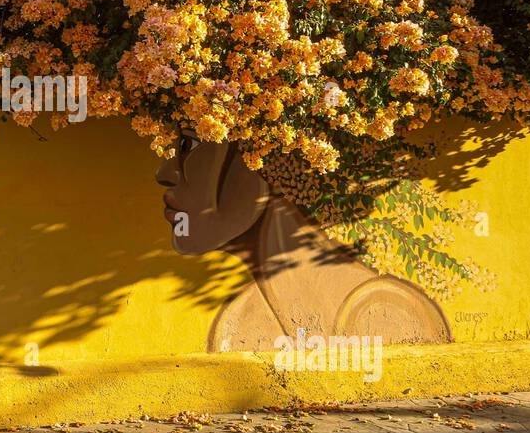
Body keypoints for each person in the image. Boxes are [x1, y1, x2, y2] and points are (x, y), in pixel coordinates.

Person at [155, 135, 451, 353]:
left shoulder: (384, 309)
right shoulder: (239, 324)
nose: (165, 173)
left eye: (188, 145)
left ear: (267, 161)